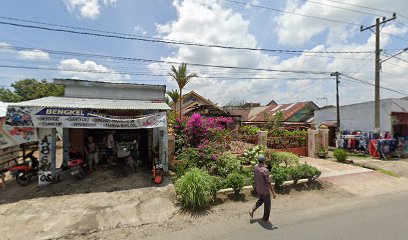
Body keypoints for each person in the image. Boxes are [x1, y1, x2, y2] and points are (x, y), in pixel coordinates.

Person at [249, 155, 276, 224]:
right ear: (264, 161)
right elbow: (268, 182)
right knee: (267, 205)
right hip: (265, 190)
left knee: (261, 200)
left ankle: (252, 210)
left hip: (258, 188)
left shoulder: (255, 167)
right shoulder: (265, 171)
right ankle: (265, 219)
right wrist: (273, 192)